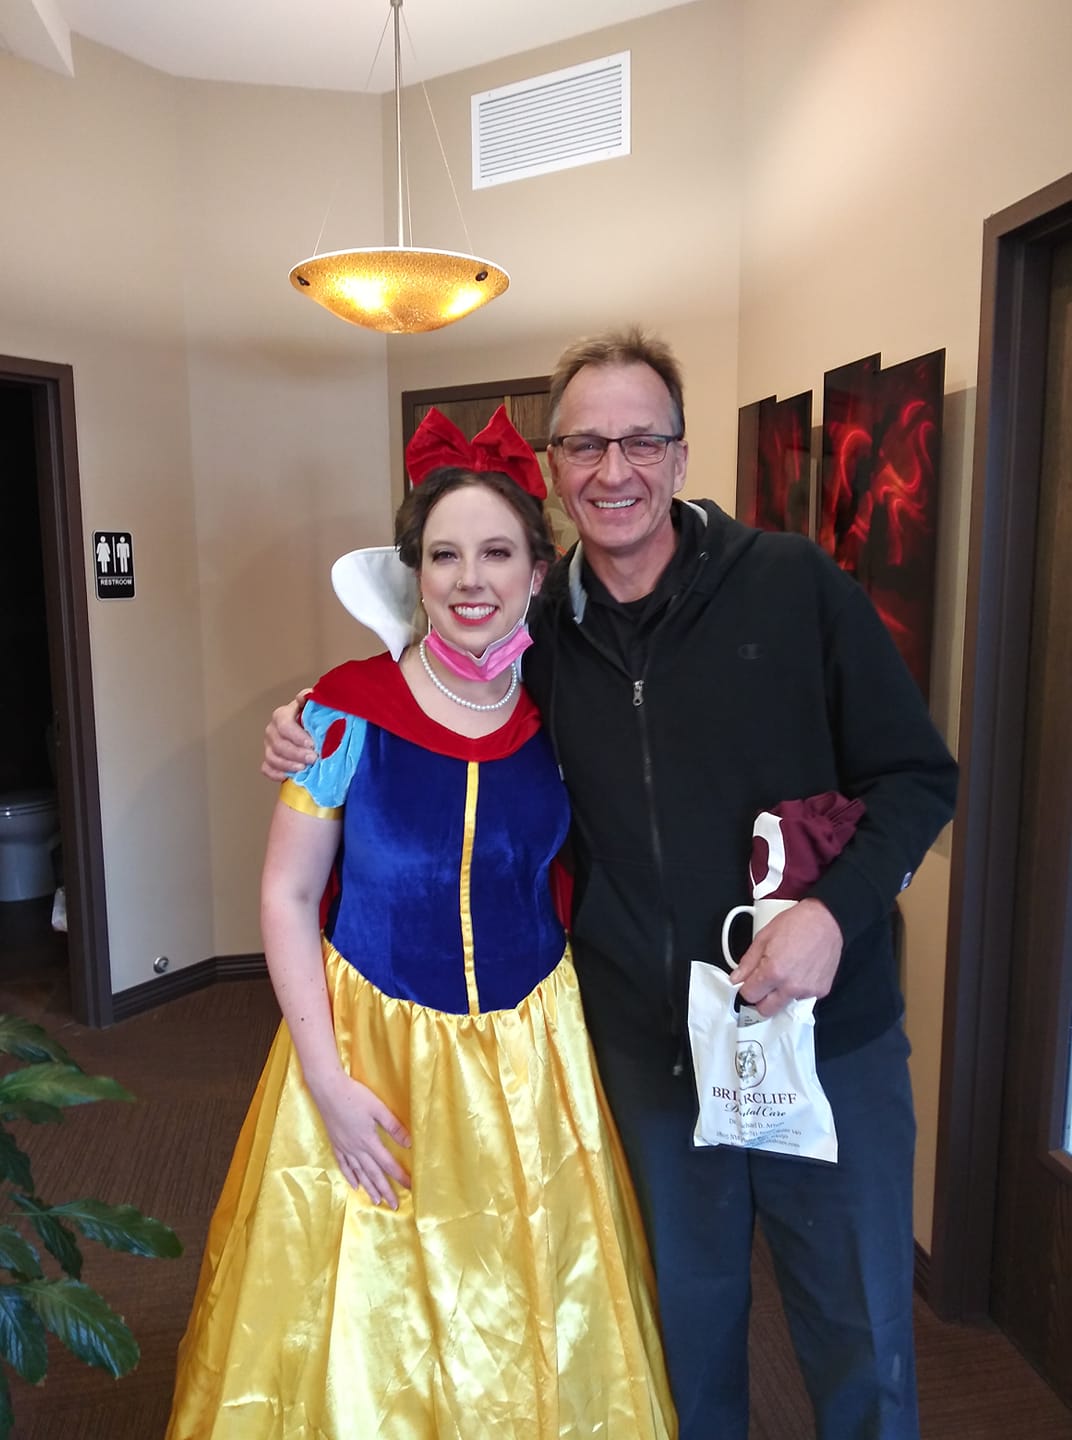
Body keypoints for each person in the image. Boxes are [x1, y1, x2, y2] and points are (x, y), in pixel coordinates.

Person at [265, 330, 958, 1440]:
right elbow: (423, 695)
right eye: (585, 444)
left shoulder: (791, 585)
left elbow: (918, 778)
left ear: (681, 454)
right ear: (554, 467)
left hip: (822, 1038)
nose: (614, 469)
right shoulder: (533, 636)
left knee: (858, 1340)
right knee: (679, 1346)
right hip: (648, 1050)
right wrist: (308, 727)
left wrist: (836, 913)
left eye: (641, 440)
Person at [169, 405, 677, 1440]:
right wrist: (326, 1084)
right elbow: (285, 896)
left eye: (497, 552)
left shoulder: (559, 707)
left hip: (533, 1061)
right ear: (416, 572)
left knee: (530, 1312)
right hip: (368, 1054)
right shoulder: (341, 714)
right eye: (444, 555)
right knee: (363, 1331)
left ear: (538, 571)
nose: (469, 579)